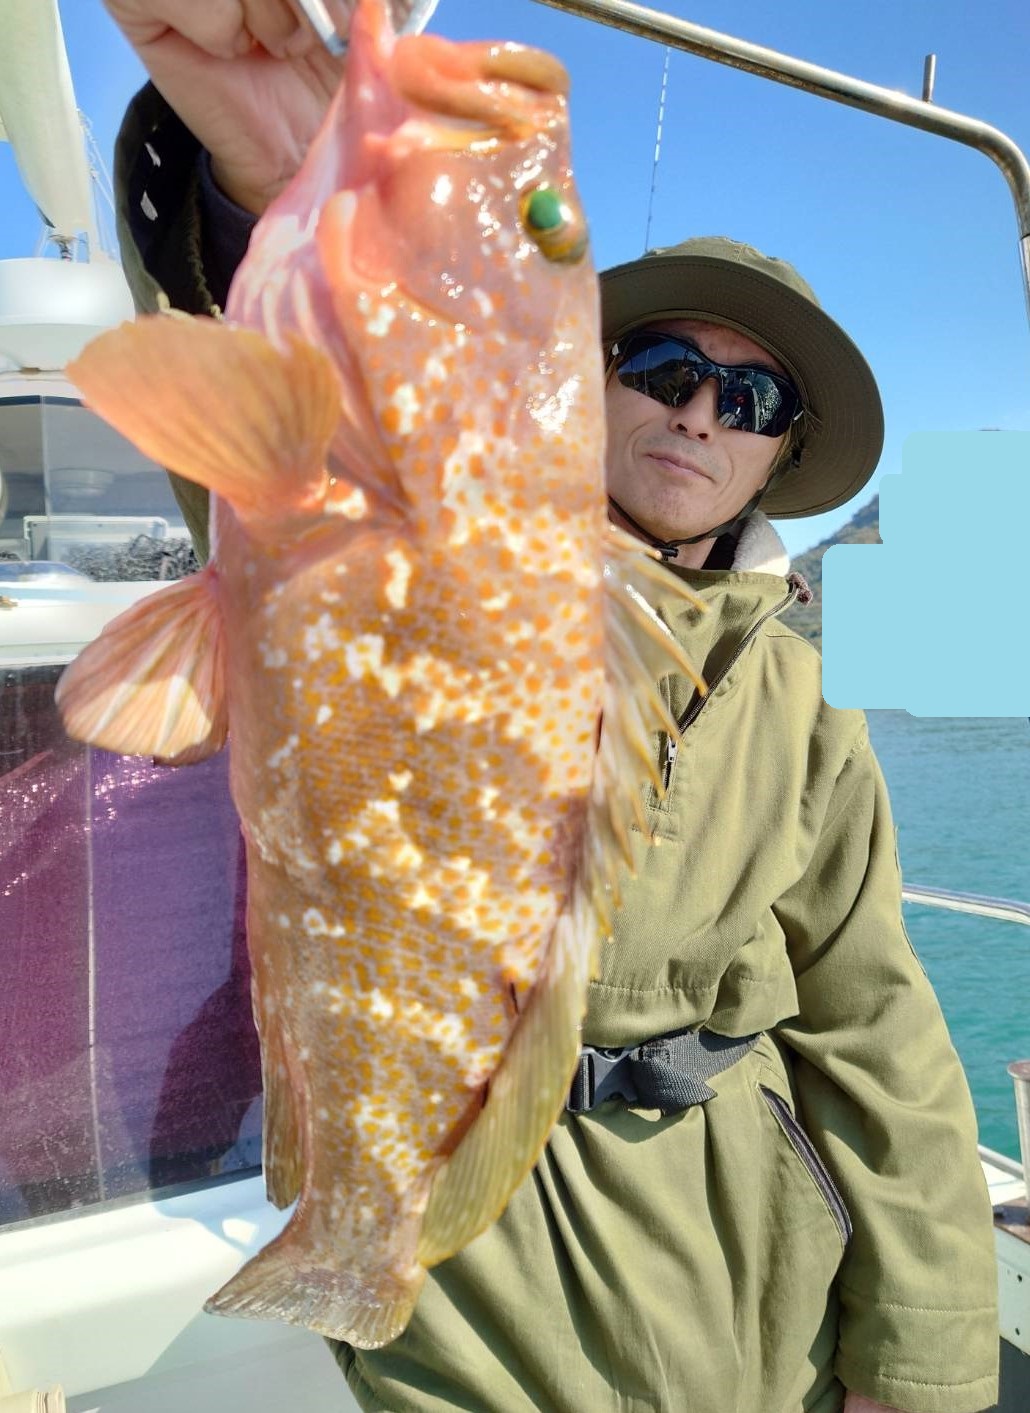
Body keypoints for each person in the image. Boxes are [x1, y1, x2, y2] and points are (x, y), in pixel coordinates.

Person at [101, 4, 1000, 1410]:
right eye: (662, 371)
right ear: (578, 379)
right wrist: (258, 186)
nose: (700, 414)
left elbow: (877, 1028)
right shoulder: (423, 515)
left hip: (758, 1301)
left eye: (753, 399)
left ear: (779, 457)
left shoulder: (811, 709)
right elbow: (284, 454)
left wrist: (919, 1361)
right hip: (469, 1280)